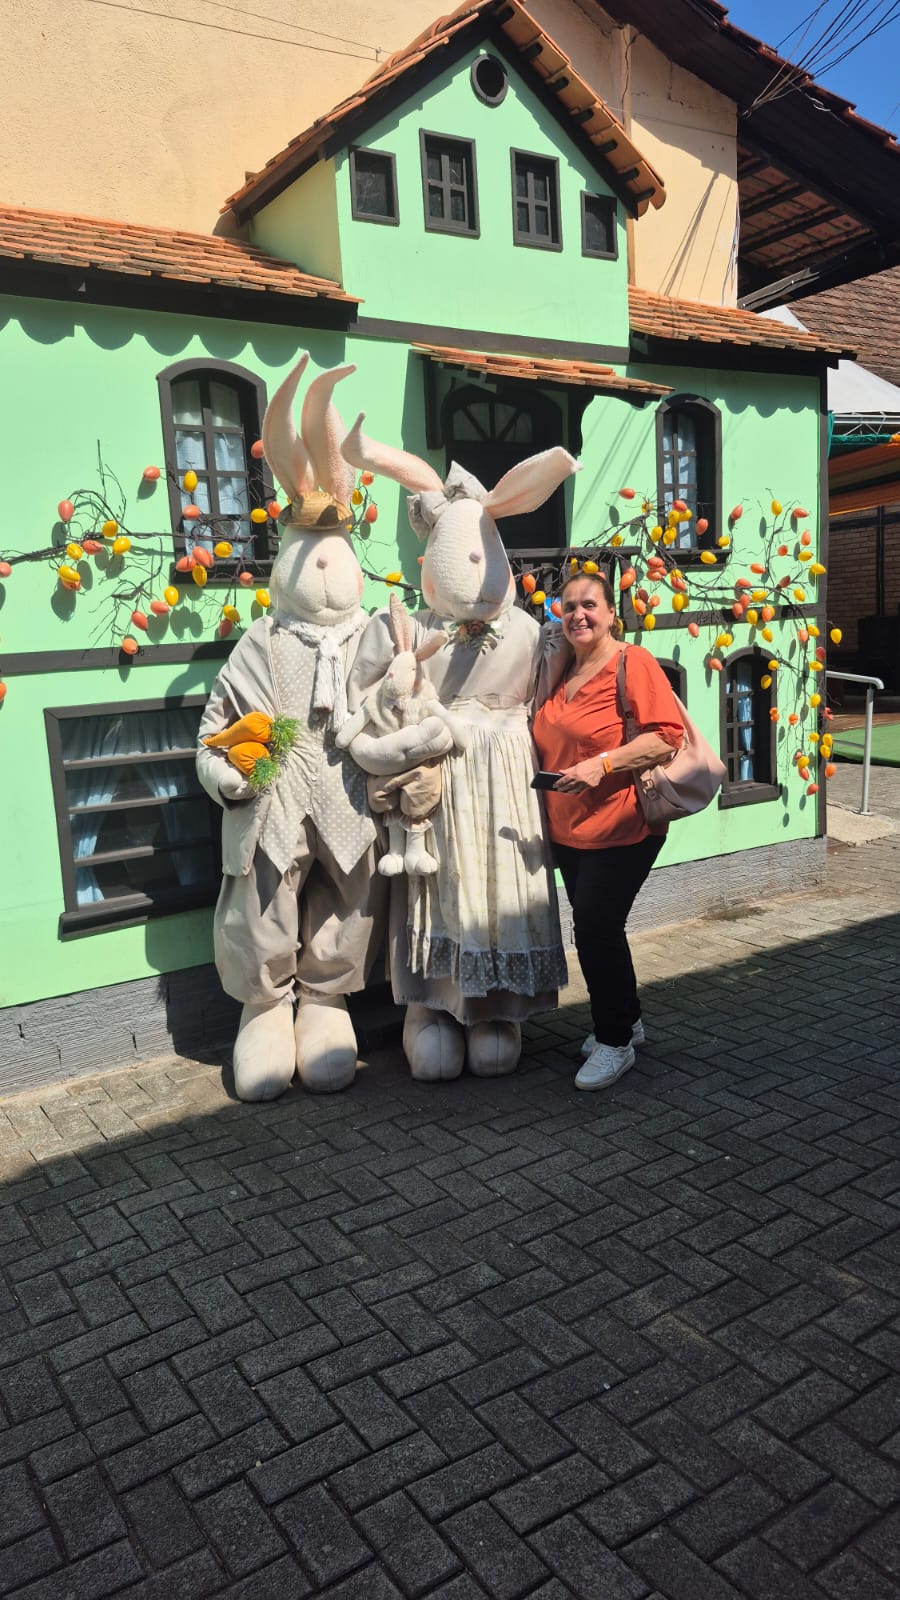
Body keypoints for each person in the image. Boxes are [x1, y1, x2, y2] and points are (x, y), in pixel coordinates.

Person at [532, 571, 685, 1090]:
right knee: (600, 929)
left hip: (623, 824)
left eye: (590, 604)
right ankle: (628, 1019)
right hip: (569, 829)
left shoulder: (630, 661)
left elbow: (666, 737)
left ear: (611, 613)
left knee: (595, 929)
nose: (578, 614)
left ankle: (614, 1042)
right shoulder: (562, 669)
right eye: (569, 606)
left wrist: (602, 765)